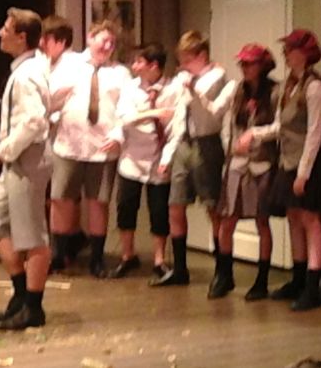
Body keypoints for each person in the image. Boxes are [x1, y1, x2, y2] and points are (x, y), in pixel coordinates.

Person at [239, 29, 321, 311]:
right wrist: (255, 133)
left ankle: (313, 286)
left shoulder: (314, 88)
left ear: (304, 53)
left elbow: (314, 134)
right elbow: (281, 126)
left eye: (291, 49)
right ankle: (298, 278)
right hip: (287, 161)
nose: (286, 54)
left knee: (310, 220)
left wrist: (303, 173)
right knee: (293, 217)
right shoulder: (290, 86)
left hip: (308, 164)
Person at [0, 8, 52, 330]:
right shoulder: (23, 70)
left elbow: (34, 120)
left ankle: (33, 307)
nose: (0, 32)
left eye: (6, 29)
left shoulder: (26, 74)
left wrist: (7, 148)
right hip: (15, 159)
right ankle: (22, 294)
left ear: (21, 37)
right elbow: (15, 116)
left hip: (28, 159)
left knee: (32, 235)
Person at [151, 30, 235, 286]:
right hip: (184, 143)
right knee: (175, 205)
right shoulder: (184, 78)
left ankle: (222, 270)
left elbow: (207, 107)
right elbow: (178, 114)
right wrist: (168, 154)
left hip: (207, 143)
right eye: (181, 61)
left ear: (202, 56)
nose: (183, 66)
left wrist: (191, 84)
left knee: (212, 206)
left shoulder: (216, 76)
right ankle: (180, 269)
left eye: (188, 60)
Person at [50, 20, 131, 278]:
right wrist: (53, 116)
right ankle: (59, 255)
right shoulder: (69, 64)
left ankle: (97, 259)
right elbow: (52, 96)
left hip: (102, 148)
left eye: (112, 43)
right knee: (61, 199)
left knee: (98, 202)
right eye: (103, 40)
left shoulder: (120, 73)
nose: (107, 46)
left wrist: (118, 133)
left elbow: (127, 108)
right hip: (69, 145)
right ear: (90, 38)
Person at [108, 43, 184, 280]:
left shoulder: (173, 89)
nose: (134, 66)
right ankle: (127, 255)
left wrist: (167, 157)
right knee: (126, 208)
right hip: (132, 158)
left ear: (154, 65)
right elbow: (125, 118)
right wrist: (152, 113)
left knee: (159, 211)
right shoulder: (131, 88)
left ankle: (159, 260)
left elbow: (176, 128)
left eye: (139, 62)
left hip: (158, 157)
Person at [208, 44, 279, 301]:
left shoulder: (275, 92)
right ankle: (224, 274)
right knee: (227, 220)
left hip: (261, 164)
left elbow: (279, 126)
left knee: (262, 221)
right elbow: (227, 123)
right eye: (243, 64)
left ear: (262, 65)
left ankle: (262, 280)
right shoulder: (238, 90)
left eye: (250, 63)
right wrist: (230, 148)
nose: (245, 68)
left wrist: (255, 136)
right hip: (237, 164)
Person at [40, 15, 87, 271]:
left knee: (62, 195)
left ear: (59, 41)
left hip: (69, 138)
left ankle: (61, 250)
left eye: (46, 39)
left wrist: (51, 111)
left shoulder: (73, 65)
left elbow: (56, 98)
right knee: (62, 194)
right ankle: (70, 241)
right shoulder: (48, 64)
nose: (42, 44)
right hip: (54, 136)